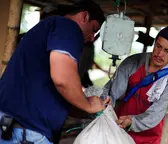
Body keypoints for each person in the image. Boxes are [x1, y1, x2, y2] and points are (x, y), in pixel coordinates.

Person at [0, 1, 110, 144]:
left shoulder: (49, 29)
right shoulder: (68, 27)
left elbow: (57, 91)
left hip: (11, 126)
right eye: (94, 29)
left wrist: (84, 110)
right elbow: (62, 79)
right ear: (84, 16)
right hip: (24, 132)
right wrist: (88, 105)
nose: (91, 37)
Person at [101, 26, 168, 144]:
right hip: (120, 130)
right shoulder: (133, 62)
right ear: (154, 43)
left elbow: (156, 113)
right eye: (158, 46)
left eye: (167, 51)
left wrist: (133, 121)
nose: (160, 53)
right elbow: (112, 92)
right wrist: (105, 102)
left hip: (149, 138)